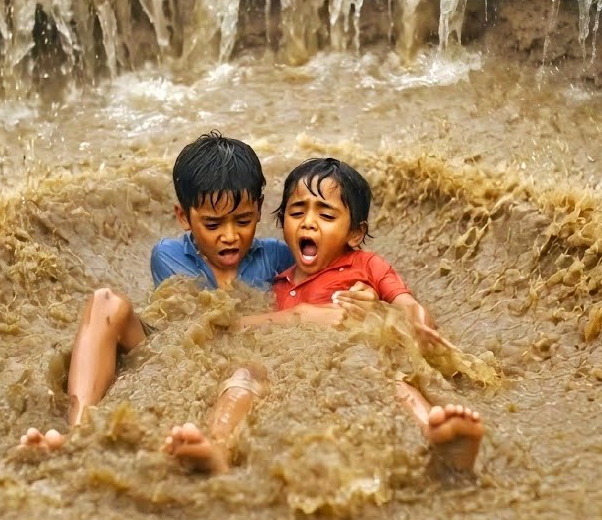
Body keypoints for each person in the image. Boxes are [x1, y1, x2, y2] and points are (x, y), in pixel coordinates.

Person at [18, 131, 338, 452]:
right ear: (183, 217)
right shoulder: (168, 255)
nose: (229, 236)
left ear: (258, 209)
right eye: (213, 225)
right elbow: (199, 329)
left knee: (247, 370)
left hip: (242, 360)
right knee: (105, 302)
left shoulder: (278, 256)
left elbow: (328, 279)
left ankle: (213, 447)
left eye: (243, 220)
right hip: (175, 348)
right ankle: (79, 430)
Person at [162, 157, 485, 476]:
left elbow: (405, 303)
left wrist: (415, 321)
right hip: (296, 370)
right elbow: (240, 328)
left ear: (355, 234)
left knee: (394, 381)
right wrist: (299, 315)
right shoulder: (277, 281)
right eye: (297, 212)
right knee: (244, 375)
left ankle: (438, 436)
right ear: (282, 223)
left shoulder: (366, 265)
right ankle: (217, 447)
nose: (308, 223)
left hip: (360, 357)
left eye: (326, 214)